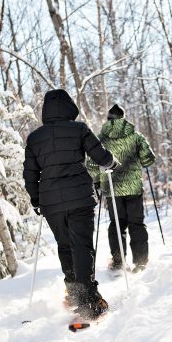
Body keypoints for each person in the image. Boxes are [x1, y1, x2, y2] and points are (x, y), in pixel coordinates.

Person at [23, 89, 118, 320]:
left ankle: (75, 295)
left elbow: (30, 175)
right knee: (82, 246)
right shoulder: (79, 130)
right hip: (80, 199)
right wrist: (111, 162)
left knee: (65, 246)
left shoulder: (35, 138)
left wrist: (36, 200)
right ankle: (89, 300)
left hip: (51, 203)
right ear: (68, 107)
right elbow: (101, 157)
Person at [88, 104, 156, 273]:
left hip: (112, 189)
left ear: (109, 119)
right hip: (133, 188)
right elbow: (148, 160)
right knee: (136, 224)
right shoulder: (136, 136)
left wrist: (96, 182)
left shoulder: (100, 139)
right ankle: (140, 262)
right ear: (123, 118)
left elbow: (92, 165)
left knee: (117, 224)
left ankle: (118, 262)